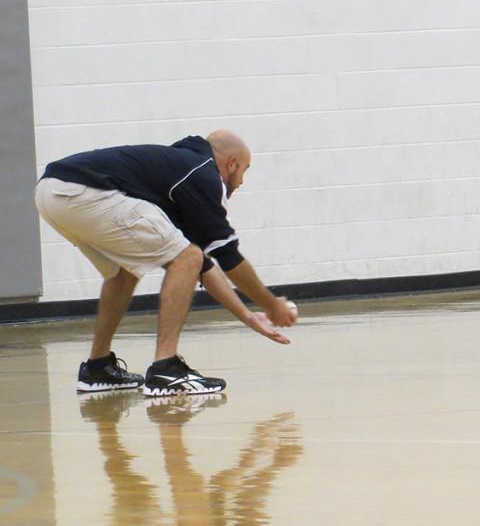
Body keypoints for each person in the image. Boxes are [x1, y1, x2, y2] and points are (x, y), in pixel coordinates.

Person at [34, 130, 297, 396]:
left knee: (125, 272)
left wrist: (248, 316)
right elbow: (227, 257)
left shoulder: (178, 170)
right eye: (244, 170)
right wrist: (270, 303)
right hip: (84, 192)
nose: (241, 181)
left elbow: (201, 266)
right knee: (185, 258)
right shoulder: (204, 175)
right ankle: (165, 369)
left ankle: (98, 369)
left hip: (51, 192)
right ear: (231, 164)